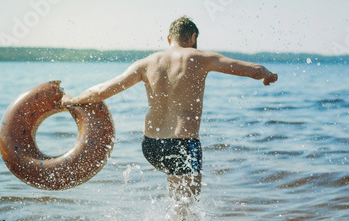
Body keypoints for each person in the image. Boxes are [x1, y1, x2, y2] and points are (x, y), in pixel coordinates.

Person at [61, 16, 278, 201]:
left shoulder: (146, 63)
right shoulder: (200, 57)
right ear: (192, 38)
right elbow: (250, 69)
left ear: (169, 39)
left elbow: (102, 91)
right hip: (182, 144)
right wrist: (266, 73)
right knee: (185, 209)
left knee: (178, 202)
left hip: (151, 146)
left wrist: (74, 100)